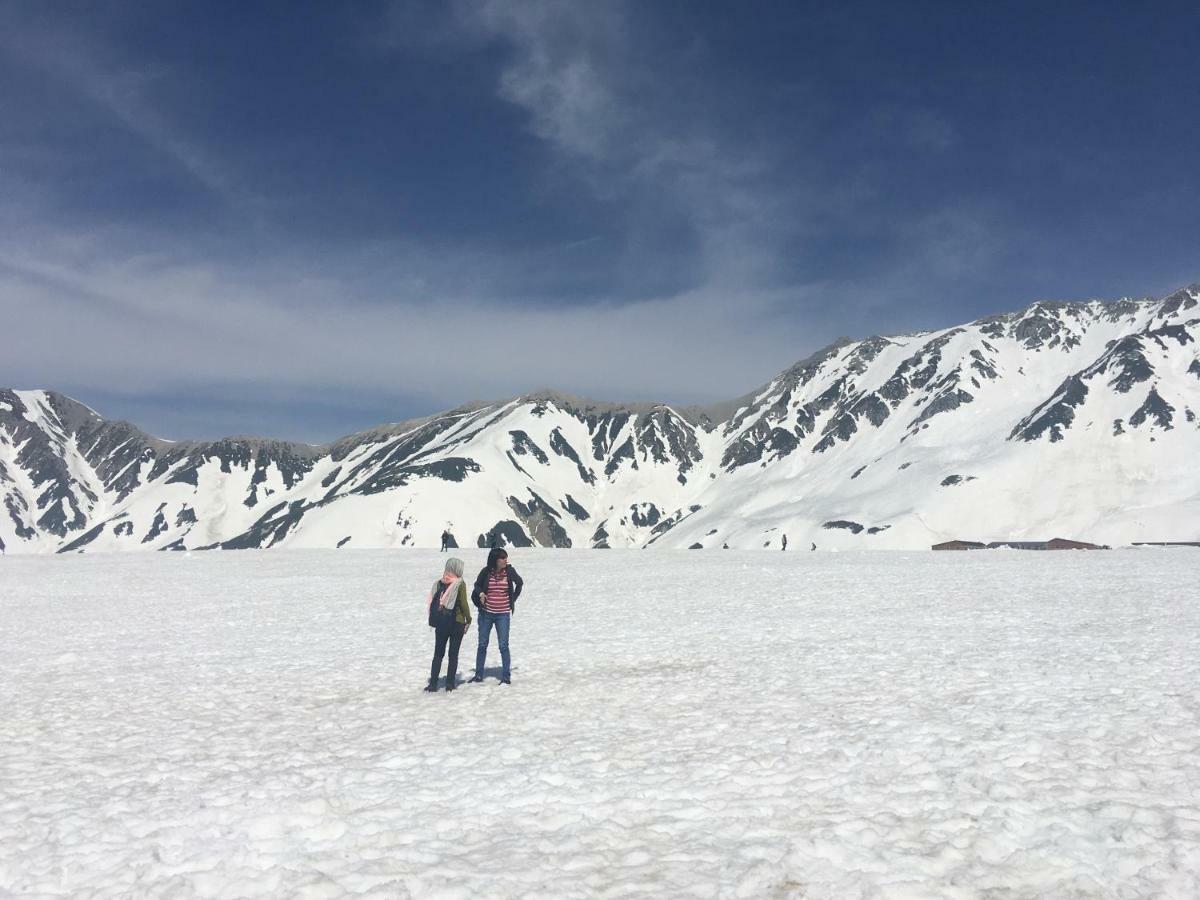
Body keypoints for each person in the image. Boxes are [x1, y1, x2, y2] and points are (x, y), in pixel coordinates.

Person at [470, 547, 523, 684]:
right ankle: (478, 675)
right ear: (495, 560)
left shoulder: (509, 572)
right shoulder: (486, 572)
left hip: (503, 614)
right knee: (482, 644)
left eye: (506, 557)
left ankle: (506, 676)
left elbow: (519, 583)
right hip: (486, 613)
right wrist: (481, 593)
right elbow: (476, 585)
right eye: (503, 558)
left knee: (503, 645)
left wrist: (513, 599)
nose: (506, 560)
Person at [426, 557, 472, 692]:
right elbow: (463, 603)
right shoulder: (459, 583)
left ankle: (433, 683)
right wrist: (468, 619)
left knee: (438, 654)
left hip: (440, 623)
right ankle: (450, 683)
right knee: (453, 655)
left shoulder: (439, 583)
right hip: (456, 623)